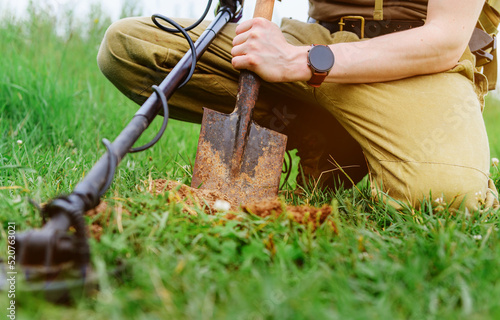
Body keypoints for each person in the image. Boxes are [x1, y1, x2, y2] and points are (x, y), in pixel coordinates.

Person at [97, 0, 499, 211]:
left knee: (444, 192)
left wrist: (297, 62)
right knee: (130, 48)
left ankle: (350, 135)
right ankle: (330, 133)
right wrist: (293, 53)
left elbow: (445, 40)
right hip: (318, 38)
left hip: (415, 64)